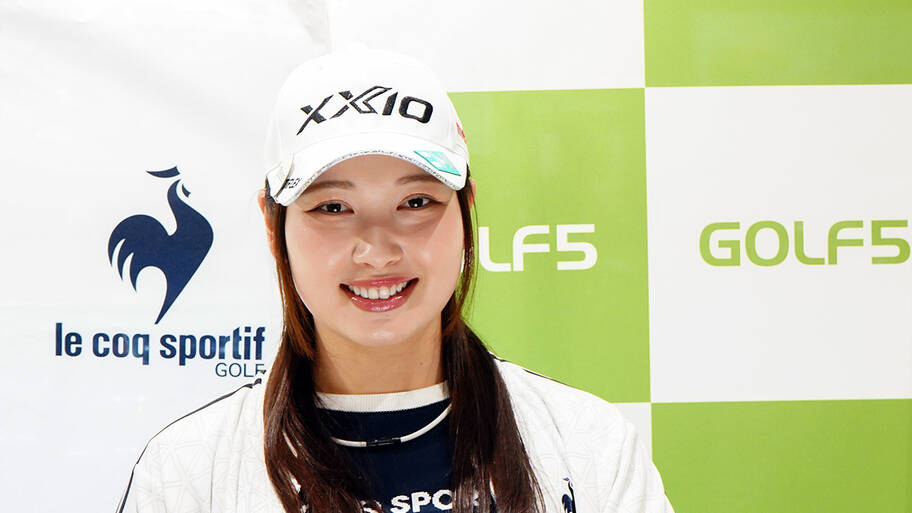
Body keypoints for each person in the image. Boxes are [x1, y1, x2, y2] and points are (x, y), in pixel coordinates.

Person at [116, 45, 675, 513]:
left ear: (466, 211)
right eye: (333, 208)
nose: (377, 251)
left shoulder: (587, 446)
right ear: (272, 224)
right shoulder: (189, 473)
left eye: (416, 202)